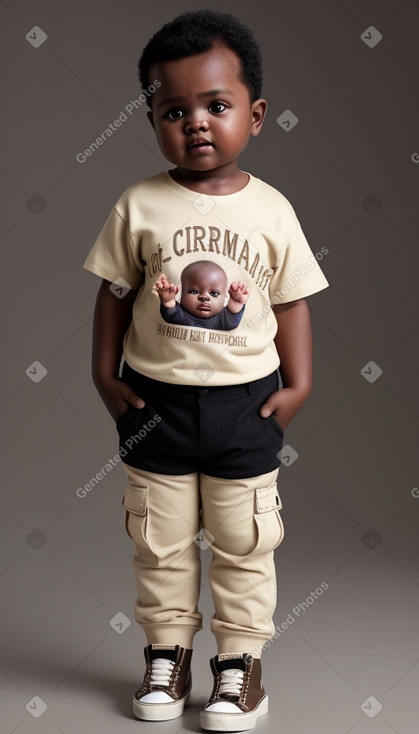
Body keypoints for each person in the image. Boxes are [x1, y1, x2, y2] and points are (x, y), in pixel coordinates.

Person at [83, 9, 329, 731]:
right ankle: (167, 653)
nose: (195, 123)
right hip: (152, 405)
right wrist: (105, 378)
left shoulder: (272, 211)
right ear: (151, 117)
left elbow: (291, 306)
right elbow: (112, 296)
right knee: (157, 539)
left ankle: (238, 665)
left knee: (244, 541)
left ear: (253, 115)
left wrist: (299, 386)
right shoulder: (138, 205)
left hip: (244, 408)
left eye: (216, 106)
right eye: (173, 110)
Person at [156, 261, 249, 329]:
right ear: (181, 295)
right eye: (194, 291)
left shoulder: (223, 319)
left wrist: (235, 302)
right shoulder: (181, 316)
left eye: (214, 293)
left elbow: (232, 321)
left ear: (225, 298)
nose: (204, 297)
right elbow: (171, 315)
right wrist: (168, 301)